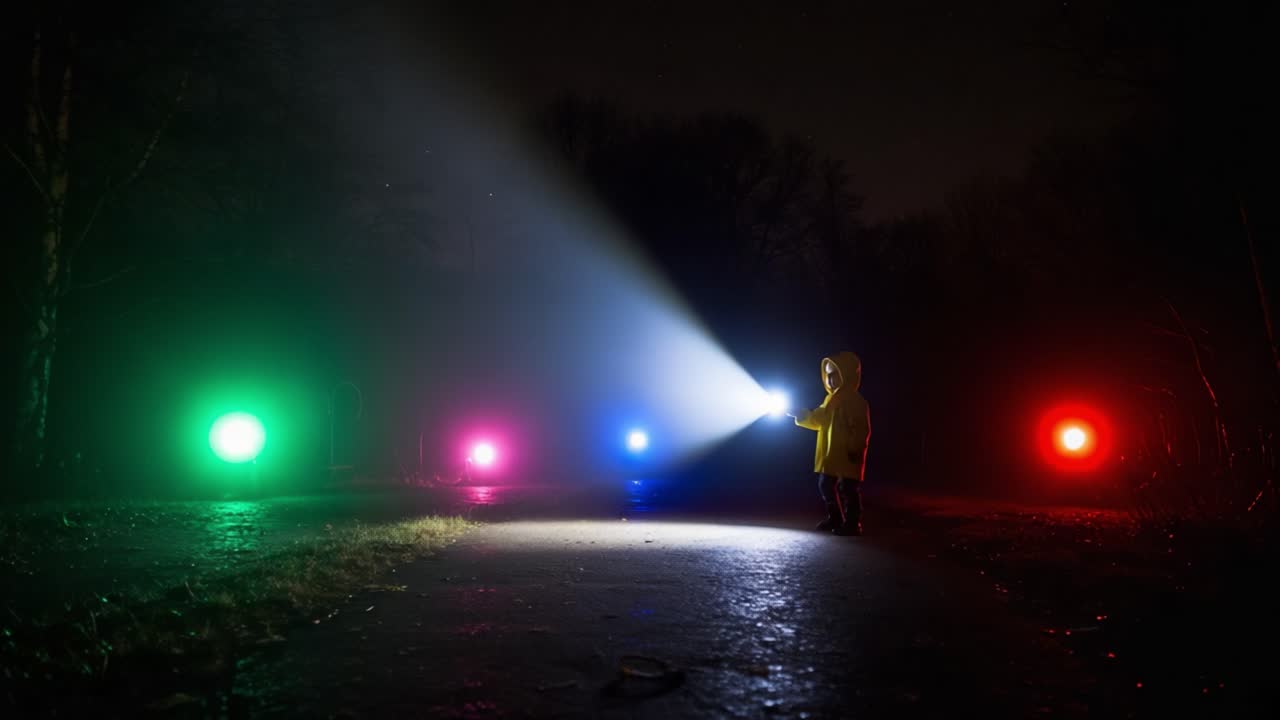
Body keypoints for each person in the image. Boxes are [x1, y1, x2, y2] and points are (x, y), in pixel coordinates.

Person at [789, 352, 870, 536]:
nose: (830, 379)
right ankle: (835, 518)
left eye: (835, 374)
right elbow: (818, 420)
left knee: (848, 488)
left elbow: (862, 429)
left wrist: (855, 448)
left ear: (847, 375)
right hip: (832, 456)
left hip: (848, 456)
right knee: (825, 485)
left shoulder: (857, 402)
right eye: (828, 375)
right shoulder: (831, 400)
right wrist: (799, 414)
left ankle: (852, 523)